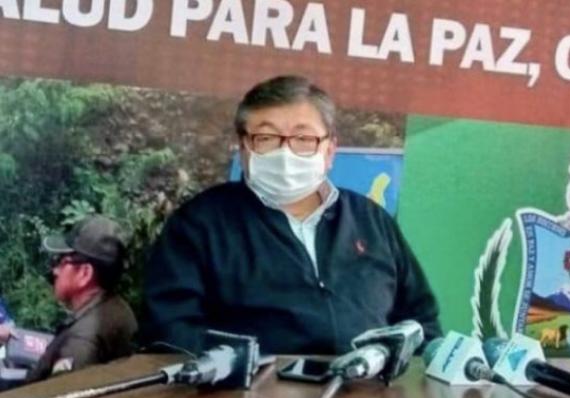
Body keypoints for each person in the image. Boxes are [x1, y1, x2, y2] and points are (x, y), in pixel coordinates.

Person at [142, 75, 441, 355]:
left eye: (303, 138)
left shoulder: (370, 219)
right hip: (251, 389)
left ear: (329, 150)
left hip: (365, 387)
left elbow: (421, 321)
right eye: (266, 137)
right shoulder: (199, 224)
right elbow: (170, 330)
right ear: (244, 148)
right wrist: (248, 368)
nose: (285, 154)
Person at [0, 215, 138, 382]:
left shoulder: (80, 343)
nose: (55, 271)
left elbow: (56, 396)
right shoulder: (117, 308)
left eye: (62, 262)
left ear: (84, 274)